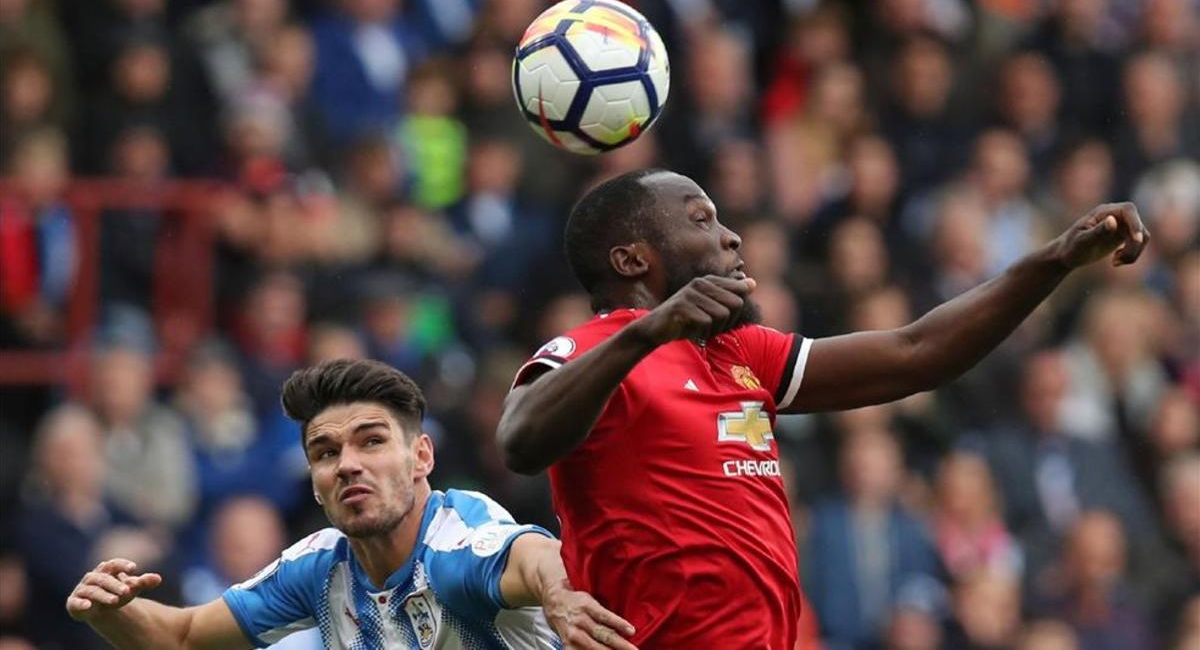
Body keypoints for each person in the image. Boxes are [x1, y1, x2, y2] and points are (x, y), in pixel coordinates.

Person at [497, 168, 1149, 648]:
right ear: (631, 257)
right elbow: (520, 440)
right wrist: (646, 332)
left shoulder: (741, 353)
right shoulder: (593, 349)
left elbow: (916, 351)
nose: (730, 237)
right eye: (700, 220)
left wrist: (1054, 261)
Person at [66, 359, 636, 650]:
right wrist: (109, 613)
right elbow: (184, 638)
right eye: (325, 450)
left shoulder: (455, 542)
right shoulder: (318, 567)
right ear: (314, 478)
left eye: (371, 441)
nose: (347, 464)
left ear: (422, 458)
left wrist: (559, 595)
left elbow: (530, 554)